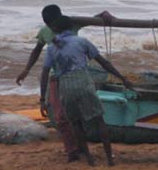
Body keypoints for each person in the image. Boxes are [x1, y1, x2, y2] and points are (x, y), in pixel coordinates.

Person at [40, 16, 131, 167]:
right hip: (84, 82)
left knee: (76, 123)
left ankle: (89, 159)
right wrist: (122, 78)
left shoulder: (51, 47)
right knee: (99, 120)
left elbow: (45, 74)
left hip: (65, 86)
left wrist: (42, 99)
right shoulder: (81, 41)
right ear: (71, 28)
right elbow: (103, 62)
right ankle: (109, 159)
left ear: (55, 30)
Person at [16, 4, 78, 161]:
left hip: (76, 75)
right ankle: (71, 150)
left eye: (54, 24)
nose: (53, 28)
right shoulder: (44, 32)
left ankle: (79, 147)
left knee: (75, 113)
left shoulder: (71, 24)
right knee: (61, 116)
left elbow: (91, 20)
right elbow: (37, 50)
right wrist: (26, 70)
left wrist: (103, 16)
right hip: (55, 77)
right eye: (50, 25)